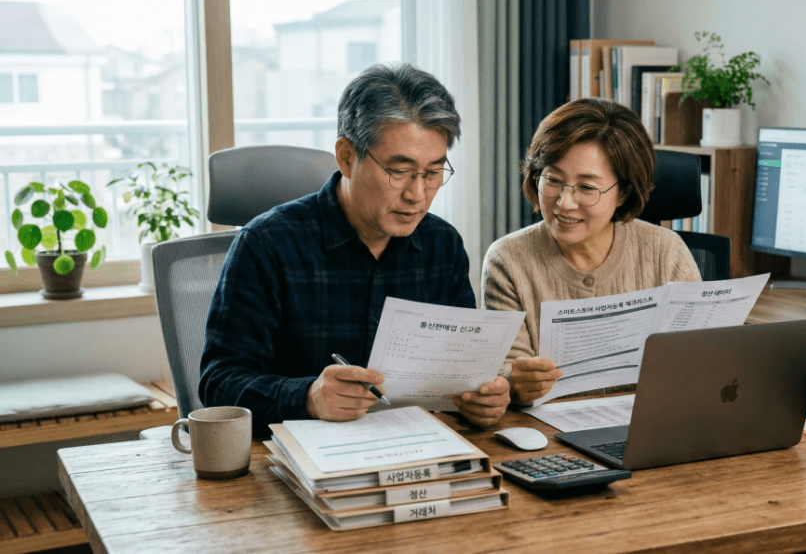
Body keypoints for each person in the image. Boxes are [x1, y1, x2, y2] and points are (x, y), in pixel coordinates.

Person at [200, 63, 510, 436]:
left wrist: (480, 398)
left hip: (414, 446)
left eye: (432, 173)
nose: (417, 194)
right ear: (347, 157)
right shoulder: (266, 245)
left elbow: (463, 371)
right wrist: (308, 397)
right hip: (299, 455)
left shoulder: (441, 244)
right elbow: (219, 384)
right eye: (399, 172)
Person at [482, 98, 701, 405]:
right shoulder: (507, 260)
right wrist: (515, 383)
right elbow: (506, 370)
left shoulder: (667, 251)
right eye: (553, 180)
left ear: (623, 193)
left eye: (586, 188)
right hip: (547, 428)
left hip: (651, 420)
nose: (564, 203)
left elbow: (700, 362)